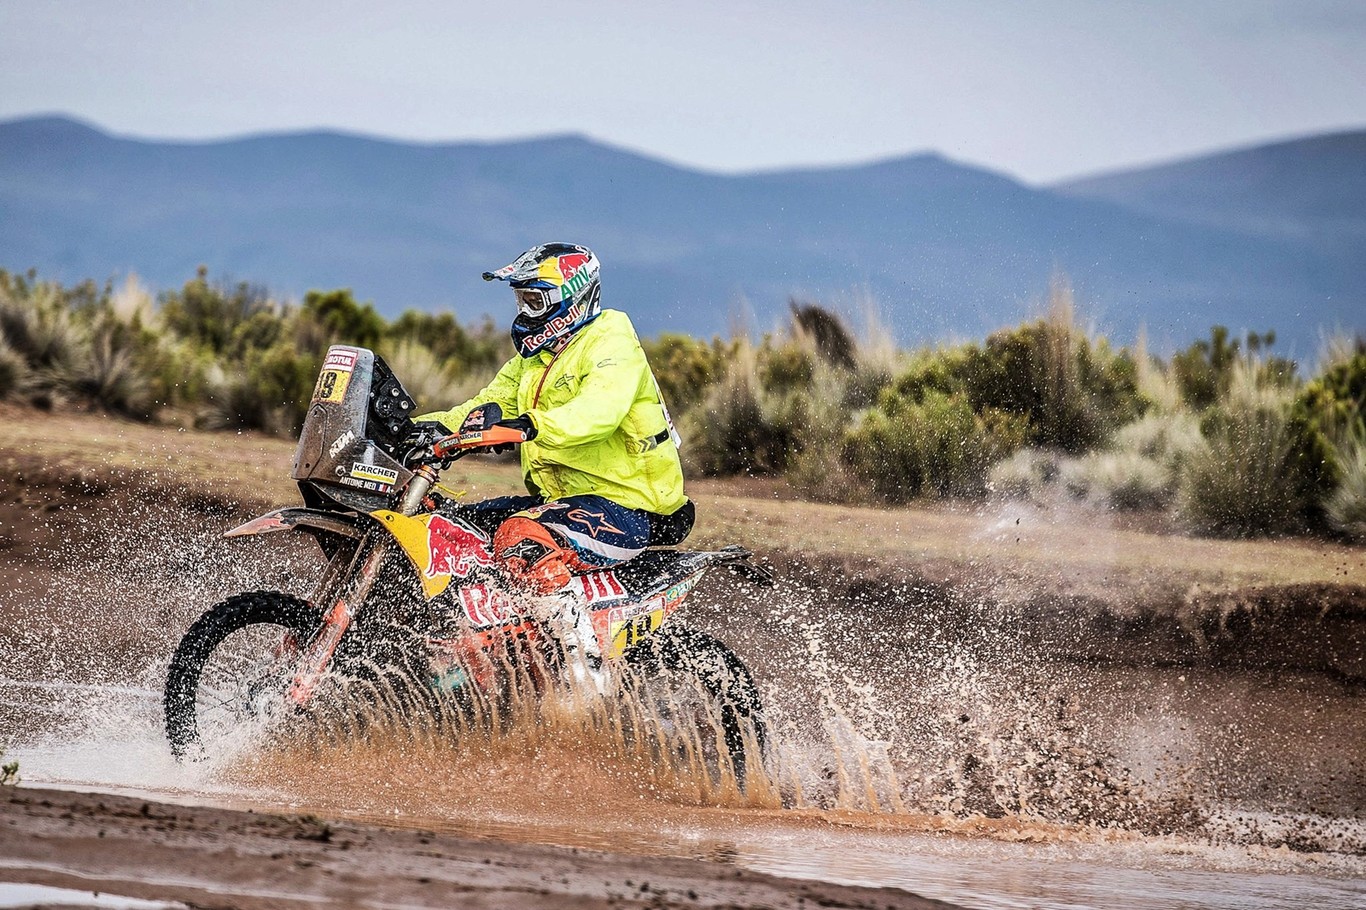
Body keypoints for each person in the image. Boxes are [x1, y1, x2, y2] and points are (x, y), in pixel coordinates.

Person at [411, 242, 692, 688]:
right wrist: (412, 431)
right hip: (562, 502)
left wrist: (526, 426)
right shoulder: (534, 360)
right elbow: (479, 407)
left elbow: (600, 410)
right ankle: (497, 664)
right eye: (520, 299)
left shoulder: (611, 339)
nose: (524, 311)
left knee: (522, 538)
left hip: (630, 505)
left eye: (534, 300)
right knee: (450, 531)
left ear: (573, 297)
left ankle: (584, 682)